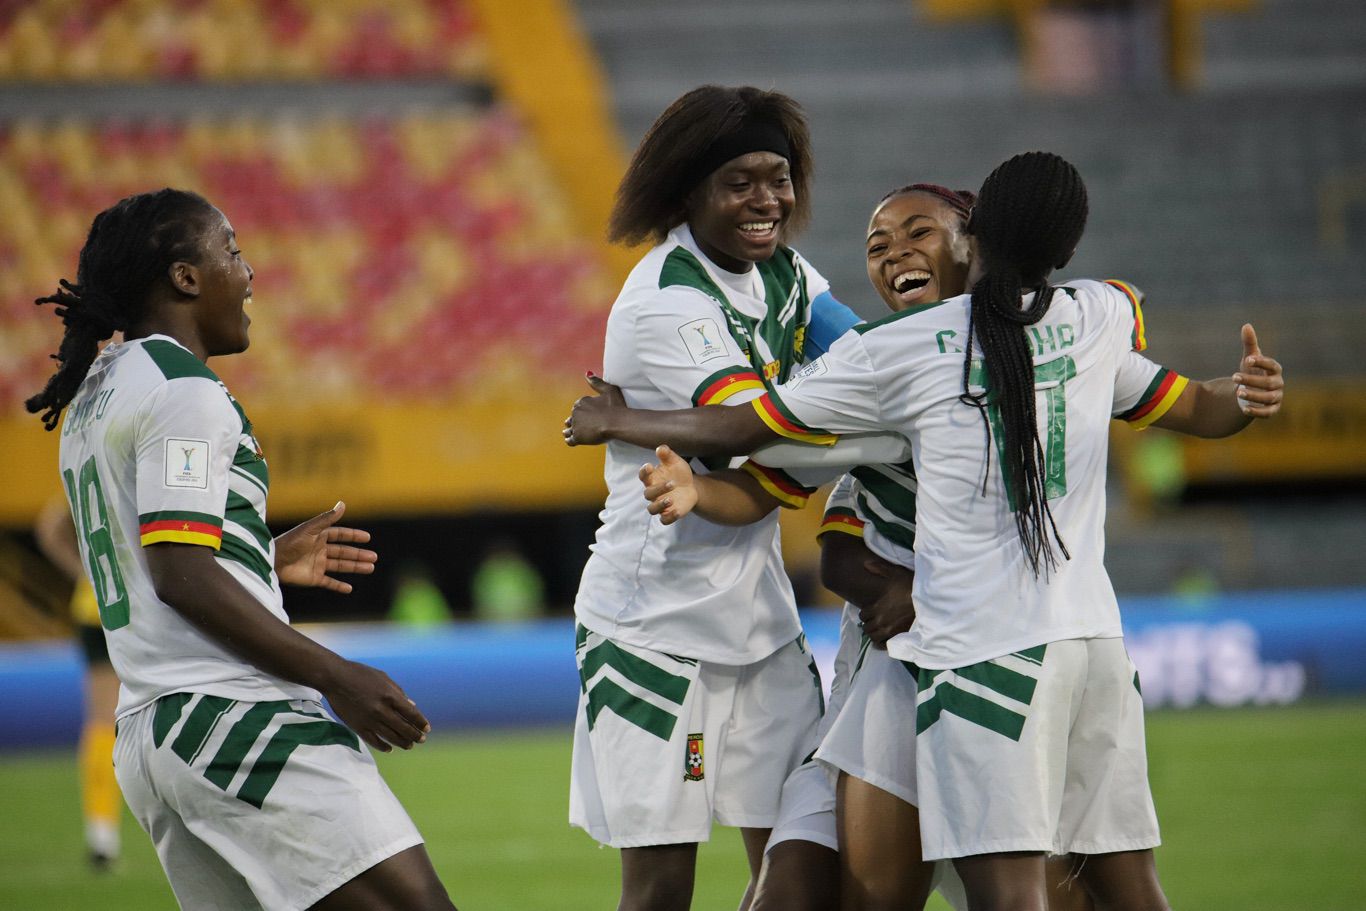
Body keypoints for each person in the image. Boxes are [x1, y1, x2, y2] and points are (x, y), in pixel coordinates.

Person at [564, 151, 1284, 910]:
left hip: (974, 662)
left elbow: (753, 422)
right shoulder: (1091, 314)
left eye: (917, 233)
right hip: (1074, 648)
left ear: (977, 239)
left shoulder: (889, 358)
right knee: (1113, 885)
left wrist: (624, 419)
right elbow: (808, 521)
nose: (894, 253)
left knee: (996, 893)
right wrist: (1241, 395)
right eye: (877, 245)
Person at [27, 188, 457, 911]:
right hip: (230, 713)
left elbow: (162, 550)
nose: (249, 271)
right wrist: (336, 674)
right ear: (184, 277)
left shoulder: (99, 388)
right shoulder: (182, 389)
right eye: (230, 249)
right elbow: (180, 575)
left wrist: (258, 555)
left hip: (152, 731)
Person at [568, 84, 861, 911]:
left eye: (780, 175)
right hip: (654, 629)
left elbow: (870, 363)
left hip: (759, 620)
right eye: (741, 181)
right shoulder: (668, 297)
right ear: (687, 190)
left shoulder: (788, 275)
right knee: (661, 888)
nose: (768, 199)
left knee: (803, 869)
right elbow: (745, 425)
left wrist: (623, 417)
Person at [34, 497, 126, 870]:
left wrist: (85, 574)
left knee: (102, 719)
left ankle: (102, 830)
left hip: (93, 604)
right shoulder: (136, 464)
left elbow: (50, 526)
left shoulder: (86, 464)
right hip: (132, 604)